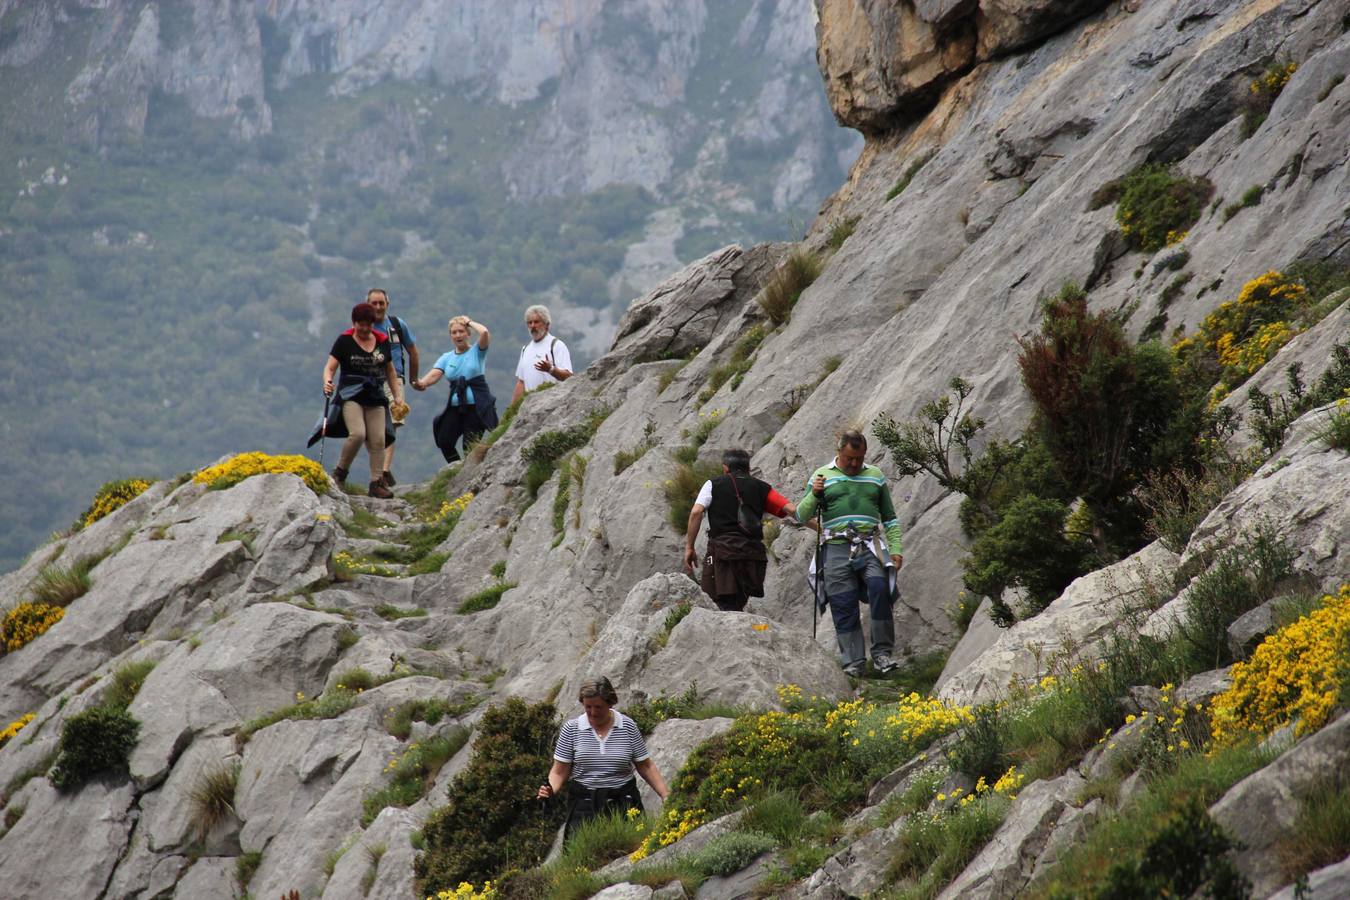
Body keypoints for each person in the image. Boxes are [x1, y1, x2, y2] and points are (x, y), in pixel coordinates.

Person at [795, 430, 904, 676]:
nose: (855, 464)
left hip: (869, 545)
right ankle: (854, 663)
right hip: (835, 547)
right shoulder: (821, 476)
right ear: (839, 452)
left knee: (880, 589)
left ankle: (882, 655)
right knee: (843, 603)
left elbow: (889, 517)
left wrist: (895, 548)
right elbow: (801, 515)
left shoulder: (875, 476)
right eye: (849, 459)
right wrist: (815, 494)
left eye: (859, 458)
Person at [537, 677, 669, 836]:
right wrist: (550, 790)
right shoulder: (571, 729)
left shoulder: (627, 726)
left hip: (624, 802)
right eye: (588, 707)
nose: (593, 712)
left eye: (598, 707)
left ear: (610, 703)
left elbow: (645, 766)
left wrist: (665, 795)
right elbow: (559, 771)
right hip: (584, 805)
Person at [683, 448, 798, 611]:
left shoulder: (713, 484)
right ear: (748, 468)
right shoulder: (762, 488)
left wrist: (689, 547)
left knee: (714, 600)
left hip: (722, 552)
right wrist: (821, 528)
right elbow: (792, 510)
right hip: (752, 556)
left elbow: (696, 512)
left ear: (725, 467)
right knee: (737, 602)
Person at [320, 302, 403, 499]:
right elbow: (330, 367)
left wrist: (397, 395)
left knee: (379, 439)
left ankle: (376, 483)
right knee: (357, 434)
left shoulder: (382, 341)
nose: (365, 329)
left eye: (368, 325)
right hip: (351, 393)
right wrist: (328, 382)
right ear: (354, 322)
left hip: (375, 394)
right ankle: (340, 473)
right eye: (360, 324)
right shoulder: (344, 341)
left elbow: (390, 371)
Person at [416, 315, 497, 464]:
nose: (458, 335)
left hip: (476, 407)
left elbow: (484, 333)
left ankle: (469, 473)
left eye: (461, 331)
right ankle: (457, 468)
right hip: (456, 407)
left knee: (469, 446)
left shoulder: (477, 351)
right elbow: (435, 374)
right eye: (454, 332)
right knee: (444, 439)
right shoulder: (447, 357)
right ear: (450, 335)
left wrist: (469, 322)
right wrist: (422, 383)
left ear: (468, 333)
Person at [366, 288, 419, 487]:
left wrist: (413, 379)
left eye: (381, 303)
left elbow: (413, 351)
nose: (378, 307)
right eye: (374, 303)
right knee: (371, 429)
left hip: (395, 378)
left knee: (394, 421)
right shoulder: (364, 327)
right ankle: (379, 470)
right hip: (370, 379)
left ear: (387, 304)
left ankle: (384, 471)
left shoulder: (397, 325)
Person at [510, 304, 573, 405]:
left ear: (547, 324)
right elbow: (521, 382)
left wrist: (551, 369)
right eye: (529, 323)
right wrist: (511, 412)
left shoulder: (556, 345)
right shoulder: (526, 349)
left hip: (552, 405)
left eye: (536, 322)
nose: (533, 326)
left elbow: (569, 376)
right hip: (530, 407)